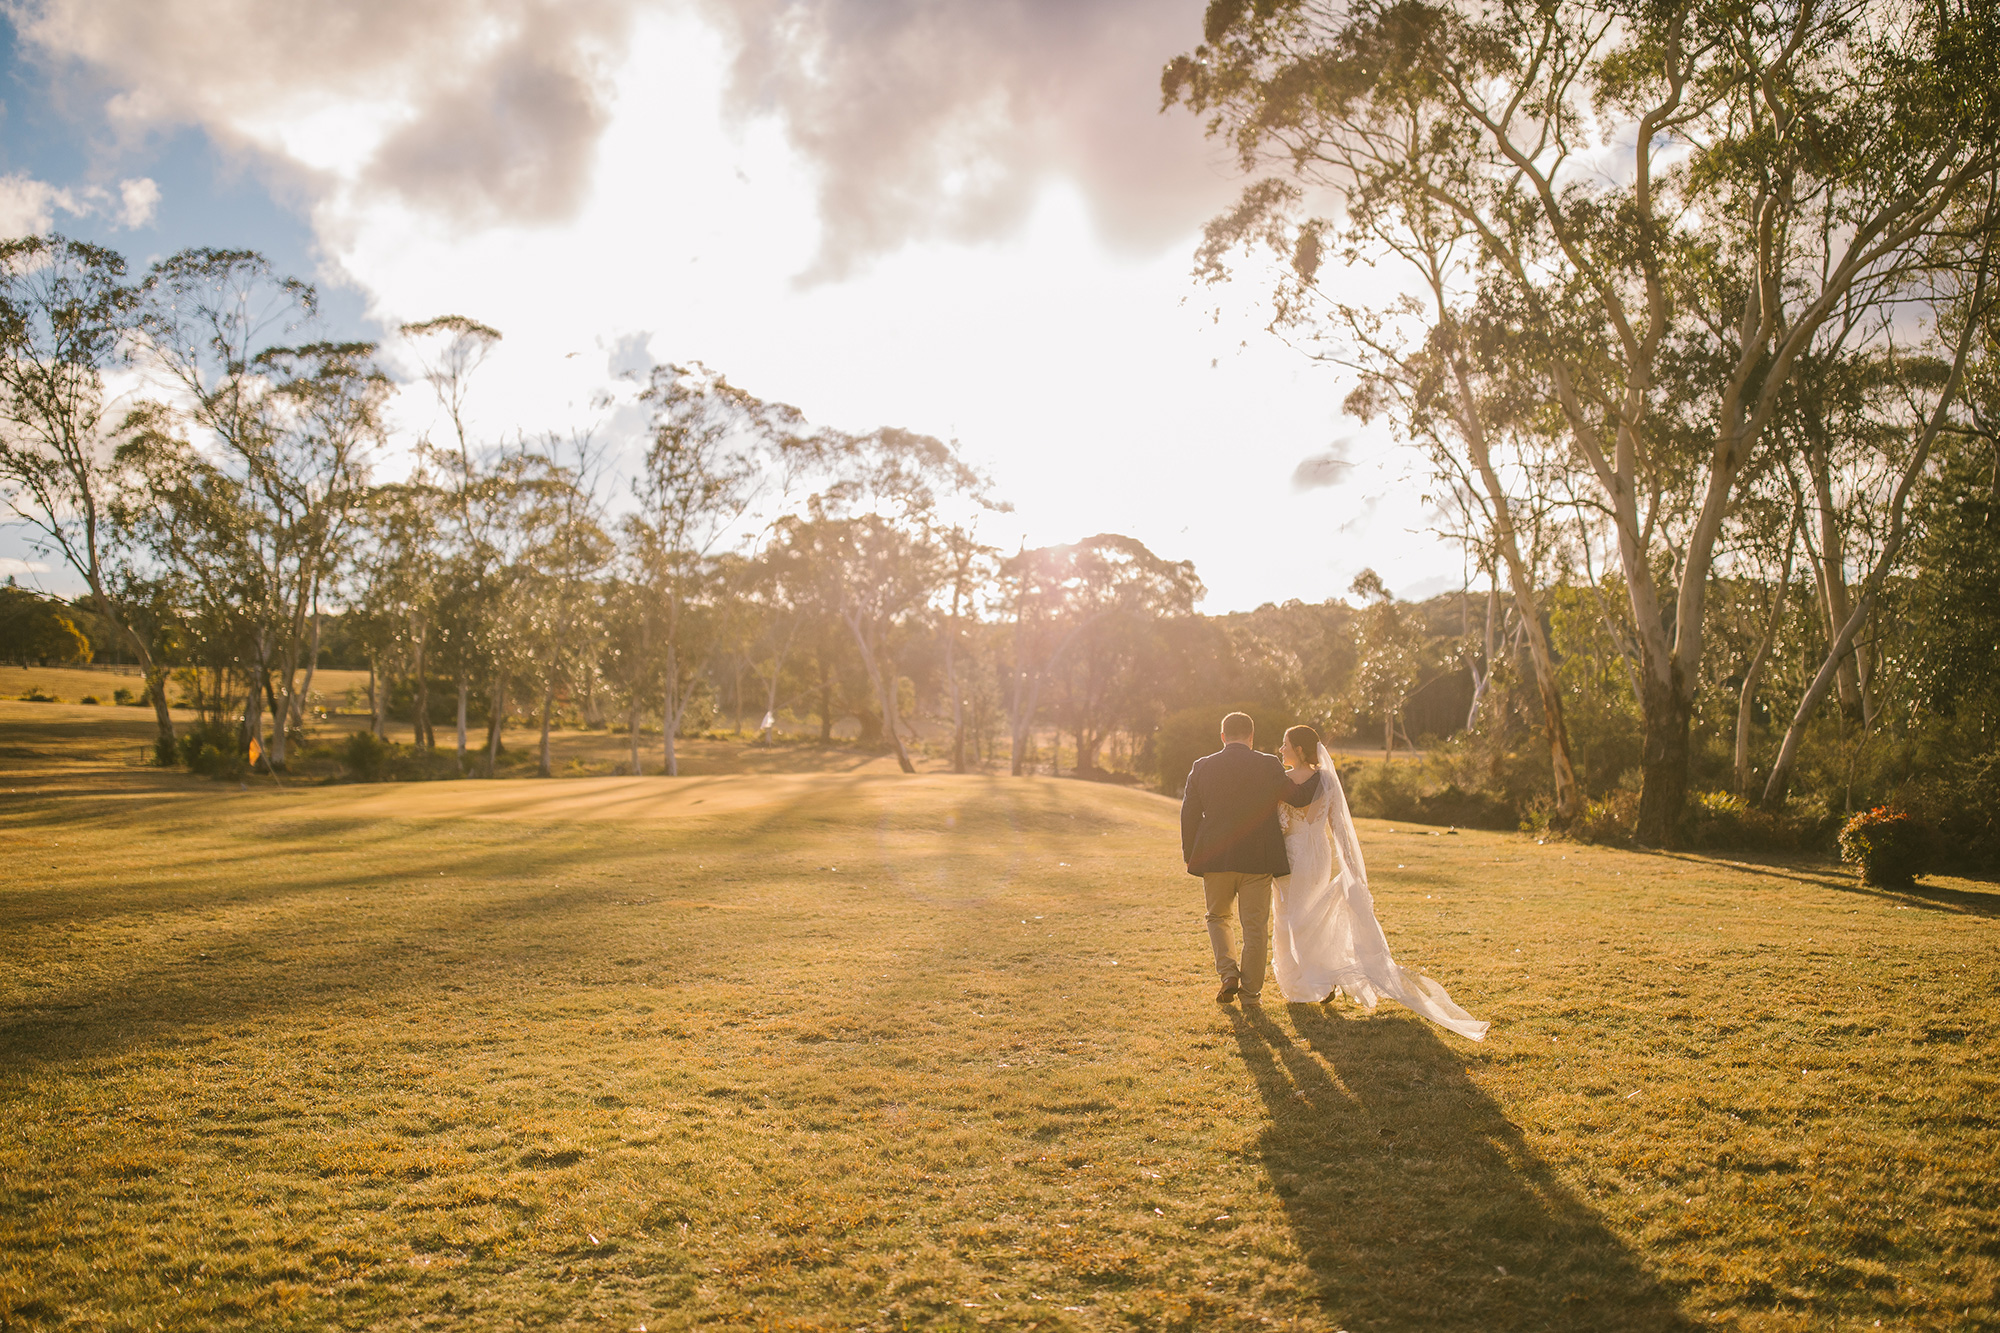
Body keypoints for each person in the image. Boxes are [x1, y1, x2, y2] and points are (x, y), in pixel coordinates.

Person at [1269, 723, 1488, 1040]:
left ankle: (1310, 983)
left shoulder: (1286, 782)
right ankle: (1315, 982)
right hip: (1315, 854)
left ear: (1299, 749)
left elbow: (1307, 823)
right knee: (1301, 915)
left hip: (1294, 855)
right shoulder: (1324, 780)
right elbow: (1338, 829)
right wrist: (1346, 861)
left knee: (1292, 917)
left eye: (1285, 743)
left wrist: (1352, 868)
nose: (1281, 749)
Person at [1180, 712, 1317, 1003]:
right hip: (1258, 859)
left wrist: (1190, 852)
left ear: (1223, 737)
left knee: (1217, 917)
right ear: (1251, 737)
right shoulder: (1268, 764)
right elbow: (1297, 798)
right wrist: (1323, 778)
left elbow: (1189, 813)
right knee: (1254, 926)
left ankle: (1228, 974)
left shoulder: (1202, 766)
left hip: (1216, 858)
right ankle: (1251, 992)